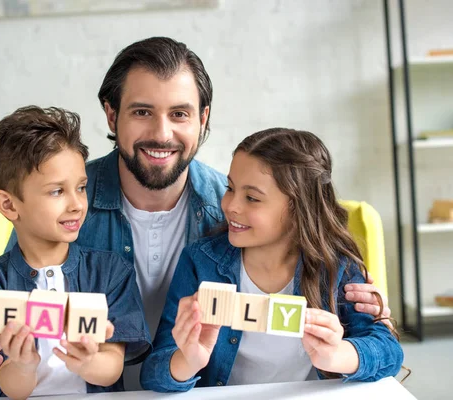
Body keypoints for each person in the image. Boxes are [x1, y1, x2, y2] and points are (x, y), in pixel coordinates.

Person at [0, 37, 393, 391]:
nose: (162, 133)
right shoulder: (61, 203)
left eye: (180, 114)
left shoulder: (231, 213)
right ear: (112, 114)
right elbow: (14, 299)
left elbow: (351, 311)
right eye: (142, 112)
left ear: (203, 120)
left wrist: (362, 327)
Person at [140, 128, 403, 391]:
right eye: (230, 188)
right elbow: (153, 372)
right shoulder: (200, 261)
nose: (231, 205)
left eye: (252, 198)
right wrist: (187, 360)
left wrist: (338, 354)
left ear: (298, 208)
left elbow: (389, 353)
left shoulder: (336, 267)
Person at [0, 106, 150, 398]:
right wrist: (24, 365)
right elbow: (11, 388)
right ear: (9, 205)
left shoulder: (111, 271)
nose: (77, 204)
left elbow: (112, 368)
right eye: (57, 191)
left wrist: (89, 361)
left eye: (81, 187)